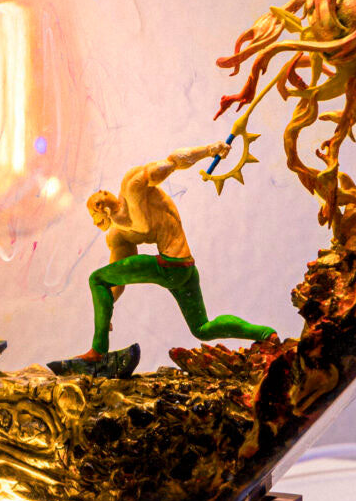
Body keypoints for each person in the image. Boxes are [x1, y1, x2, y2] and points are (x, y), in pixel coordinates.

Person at [49, 142, 276, 377]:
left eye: (99, 198)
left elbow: (172, 162)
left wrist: (210, 150)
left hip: (173, 265)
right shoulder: (119, 233)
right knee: (202, 329)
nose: (101, 200)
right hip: (184, 269)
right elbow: (116, 282)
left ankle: (97, 352)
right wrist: (106, 311)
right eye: (96, 207)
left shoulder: (132, 185)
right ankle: (265, 334)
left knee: (96, 278)